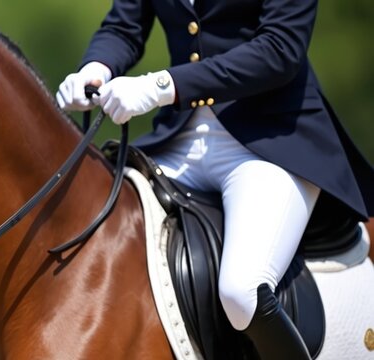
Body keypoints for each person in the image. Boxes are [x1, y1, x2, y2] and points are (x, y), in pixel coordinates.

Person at [56, 0, 374, 359]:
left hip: (269, 143)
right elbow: (123, 26)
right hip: (177, 141)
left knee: (242, 291)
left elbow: (280, 49)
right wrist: (96, 68)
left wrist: (163, 86)